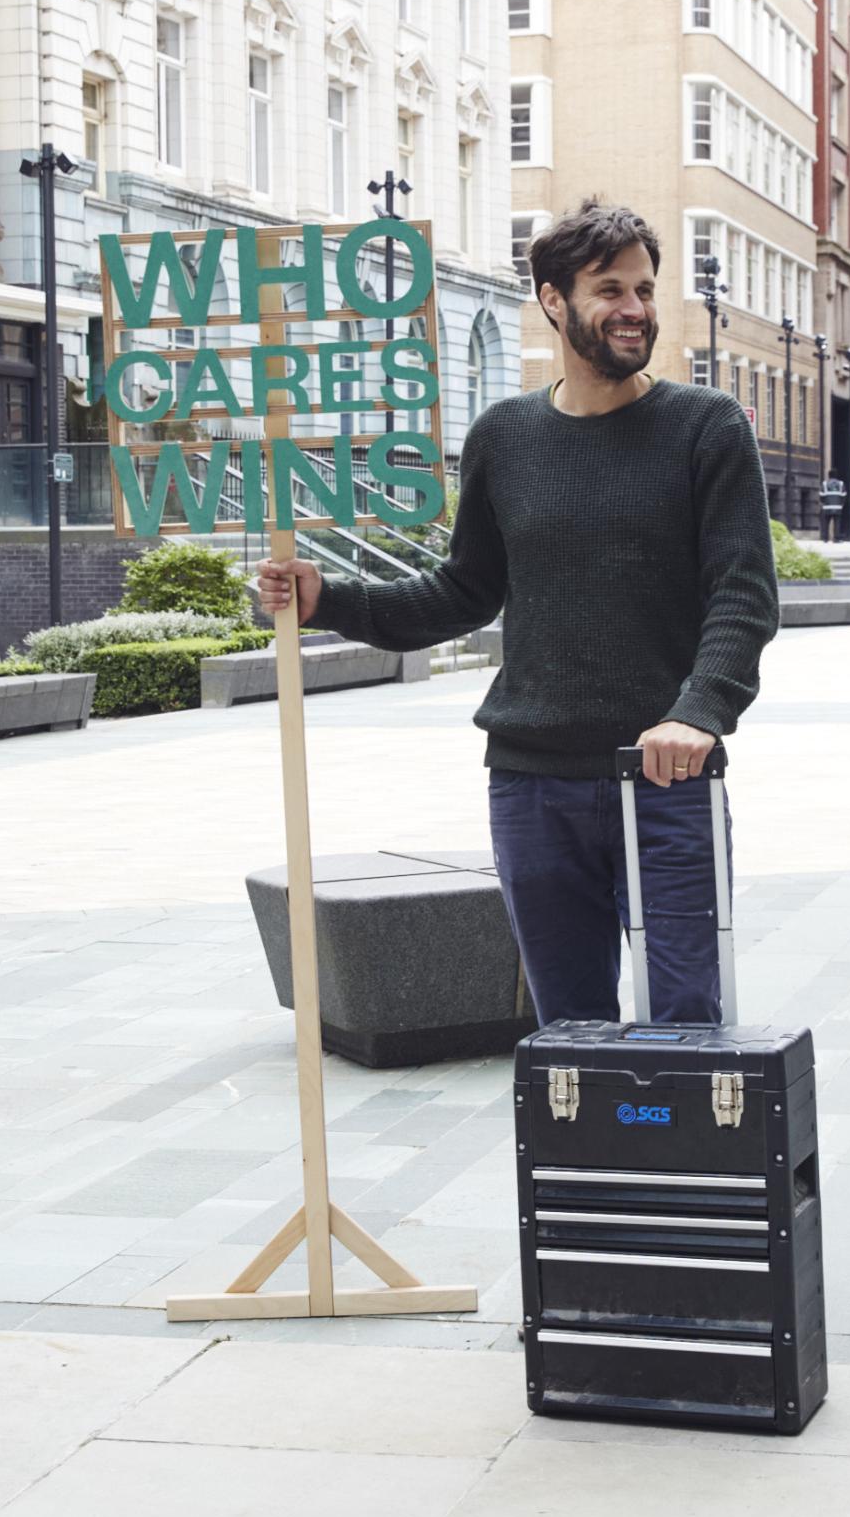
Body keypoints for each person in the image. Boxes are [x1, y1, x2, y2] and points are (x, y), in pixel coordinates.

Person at [256, 198, 777, 1027]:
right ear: (552, 299)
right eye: (611, 289)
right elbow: (463, 590)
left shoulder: (704, 428)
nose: (636, 309)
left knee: (687, 1023)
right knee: (566, 1027)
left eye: (645, 289)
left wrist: (698, 712)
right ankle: (585, 1163)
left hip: (666, 780)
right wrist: (332, 602)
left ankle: (670, 1160)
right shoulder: (503, 436)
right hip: (532, 784)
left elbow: (743, 595)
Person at [819, 469, 848, 543]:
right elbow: (844, 495)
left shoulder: (824, 484)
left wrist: (823, 503)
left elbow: (821, 495)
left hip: (827, 507)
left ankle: (825, 538)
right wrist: (841, 504)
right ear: (836, 475)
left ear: (829, 475)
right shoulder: (841, 484)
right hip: (838, 507)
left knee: (826, 523)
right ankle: (836, 538)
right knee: (837, 523)